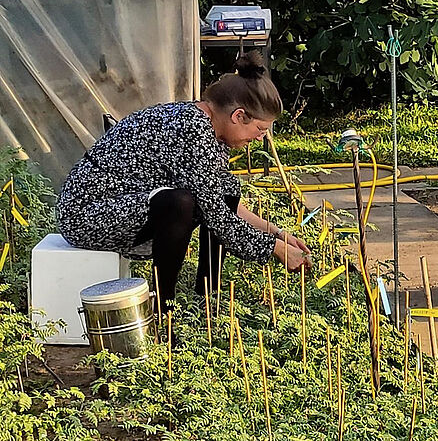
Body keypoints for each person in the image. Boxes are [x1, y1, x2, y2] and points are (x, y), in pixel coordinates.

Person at [57, 51, 312, 309]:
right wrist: (275, 249)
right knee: (179, 202)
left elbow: (220, 199)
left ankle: (207, 298)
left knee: (225, 189)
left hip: (122, 206)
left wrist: (276, 232)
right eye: (259, 130)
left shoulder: (208, 126)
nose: (259, 139)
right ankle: (163, 309)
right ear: (238, 116)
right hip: (87, 216)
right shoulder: (192, 129)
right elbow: (218, 216)